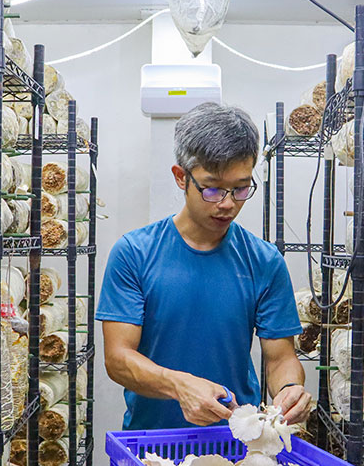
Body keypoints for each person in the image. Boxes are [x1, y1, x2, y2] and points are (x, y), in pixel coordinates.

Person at [96, 103, 312, 430]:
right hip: (153, 446)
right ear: (181, 177)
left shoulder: (265, 261)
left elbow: (280, 358)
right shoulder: (134, 254)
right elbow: (118, 359)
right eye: (212, 188)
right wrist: (178, 386)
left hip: (237, 442)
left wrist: (289, 390)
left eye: (240, 188)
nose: (227, 203)